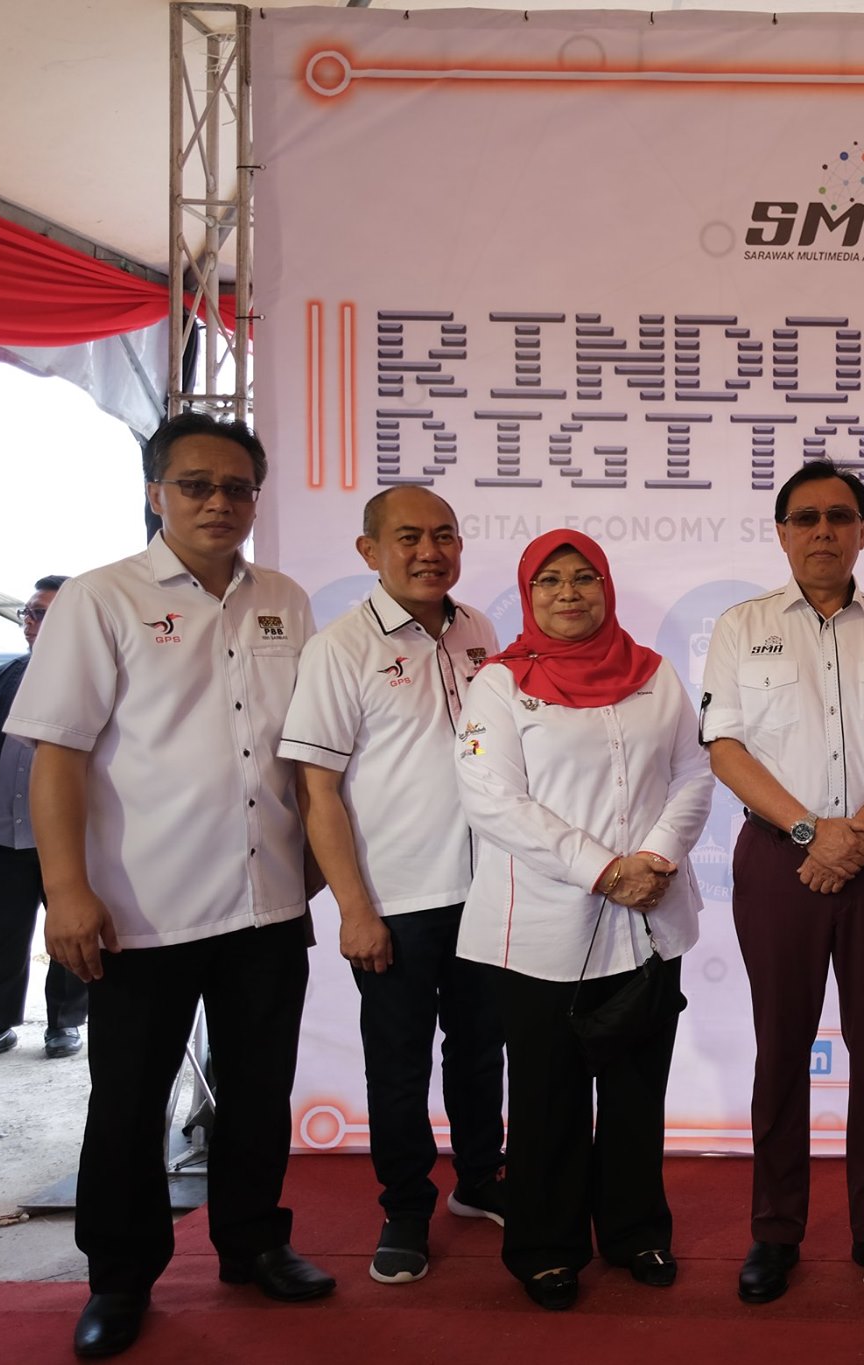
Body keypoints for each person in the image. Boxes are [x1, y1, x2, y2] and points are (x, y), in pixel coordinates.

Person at [7, 413, 329, 1360]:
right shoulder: (101, 598)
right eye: (196, 485)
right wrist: (66, 890)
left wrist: (319, 868)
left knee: (259, 1090)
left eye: (237, 488)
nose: (218, 502)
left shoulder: (285, 599)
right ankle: (119, 1276)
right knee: (128, 1100)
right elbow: (57, 755)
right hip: (140, 906)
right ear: (156, 492)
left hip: (267, 899)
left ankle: (253, 1242)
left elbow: (306, 748)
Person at [452, 529, 713, 1312]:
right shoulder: (500, 684)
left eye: (584, 577)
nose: (569, 593)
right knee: (547, 1097)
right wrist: (604, 868)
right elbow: (493, 799)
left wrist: (656, 857)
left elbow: (693, 772)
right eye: (550, 581)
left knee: (636, 1092)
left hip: (649, 920)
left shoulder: (653, 673)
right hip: (541, 930)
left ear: (606, 585)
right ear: (528, 594)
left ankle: (636, 1232)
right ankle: (546, 1247)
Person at [700, 461, 864, 1304]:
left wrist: (854, 834)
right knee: (781, 1050)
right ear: (782, 532)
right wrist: (811, 831)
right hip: (779, 859)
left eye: (841, 516)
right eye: (806, 518)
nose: (824, 531)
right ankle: (775, 1231)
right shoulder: (742, 626)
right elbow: (725, 747)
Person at [279, 487, 506, 1286]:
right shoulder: (340, 648)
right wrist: (354, 908)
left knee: (480, 1051)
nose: (429, 552)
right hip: (395, 902)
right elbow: (316, 787)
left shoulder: (478, 629)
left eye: (444, 535)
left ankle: (480, 1179)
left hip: (487, 893)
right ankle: (406, 1207)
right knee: (399, 1065)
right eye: (408, 536)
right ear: (369, 551)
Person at [0, 576, 89, 1066]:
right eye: (27, 613)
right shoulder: (2, 678)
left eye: (41, 614)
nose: (29, 622)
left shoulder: (94, 679)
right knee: (1, 938)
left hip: (68, 840)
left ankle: (64, 1023)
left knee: (72, 934)